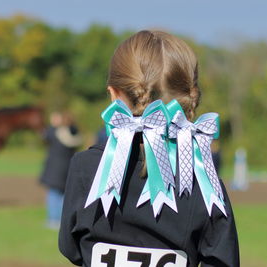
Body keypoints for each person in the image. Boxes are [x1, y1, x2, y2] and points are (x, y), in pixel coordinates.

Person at [59, 30, 239, 266]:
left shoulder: (85, 167)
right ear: (190, 97)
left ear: (113, 94)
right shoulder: (202, 179)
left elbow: (70, 247)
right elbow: (222, 258)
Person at [40, 111, 82, 229]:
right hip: (68, 166)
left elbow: (44, 136)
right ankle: (63, 220)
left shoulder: (53, 131)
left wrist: (53, 125)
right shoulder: (74, 131)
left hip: (55, 168)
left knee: (53, 194)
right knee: (64, 195)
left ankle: (53, 220)